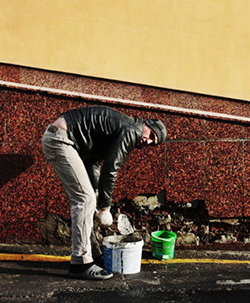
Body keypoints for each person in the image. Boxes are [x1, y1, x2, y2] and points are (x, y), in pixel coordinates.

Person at [41, 105, 167, 280]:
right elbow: (111, 169)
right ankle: (80, 264)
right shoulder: (132, 130)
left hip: (60, 137)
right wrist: (105, 208)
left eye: (154, 143)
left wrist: (98, 193)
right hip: (60, 140)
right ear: (146, 125)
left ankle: (91, 253)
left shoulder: (121, 129)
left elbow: (93, 161)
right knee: (85, 200)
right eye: (151, 136)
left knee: (88, 199)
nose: (149, 142)